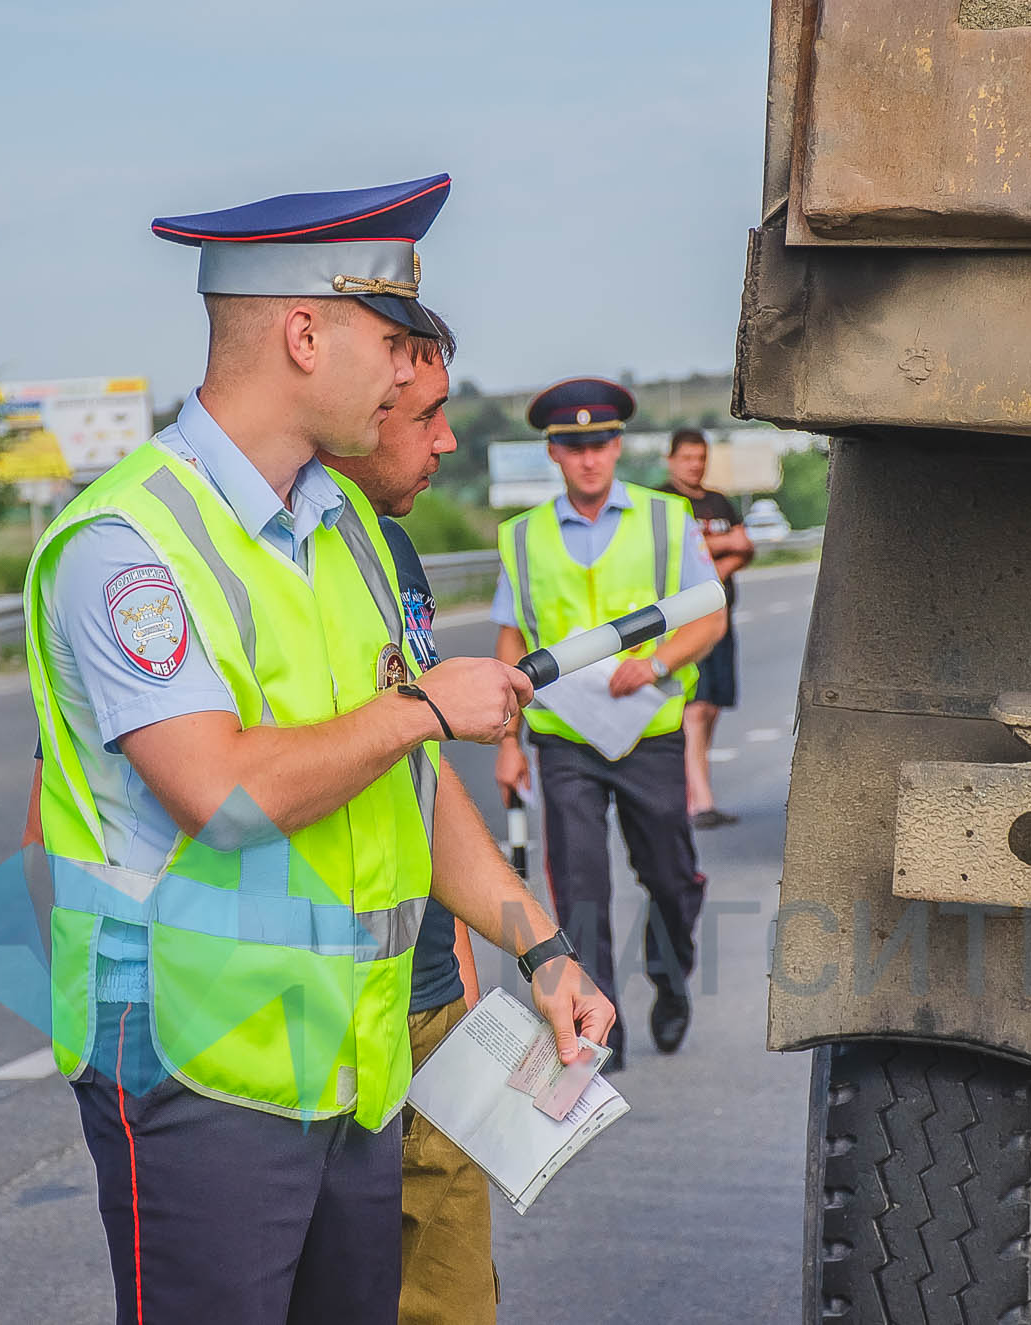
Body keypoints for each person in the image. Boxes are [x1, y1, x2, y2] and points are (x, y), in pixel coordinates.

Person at [23, 175, 613, 1325]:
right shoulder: (128, 543)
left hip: (355, 1061)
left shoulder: (341, 533)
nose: (410, 374)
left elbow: (410, 781)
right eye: (392, 341)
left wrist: (540, 945)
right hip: (198, 1069)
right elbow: (221, 791)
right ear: (303, 333)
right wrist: (424, 707)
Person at [318, 315, 499, 1325]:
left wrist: (466, 962)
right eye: (425, 416)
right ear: (354, 410)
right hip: (305, 1020)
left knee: (449, 1298)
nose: (445, 442)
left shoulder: (388, 549)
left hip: (421, 997)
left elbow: (415, 772)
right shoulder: (227, 557)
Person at [490, 379, 727, 1065]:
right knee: (581, 888)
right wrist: (509, 744)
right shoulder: (524, 537)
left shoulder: (665, 520)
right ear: (553, 454)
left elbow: (708, 615)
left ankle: (670, 973)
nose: (589, 458)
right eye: (573, 447)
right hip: (566, 742)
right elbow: (511, 639)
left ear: (618, 445)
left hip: (648, 732)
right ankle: (603, 1036)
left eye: (599, 444)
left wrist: (655, 665)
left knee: (673, 879)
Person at [657, 428, 754, 828]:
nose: (695, 465)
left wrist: (711, 573)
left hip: (720, 619)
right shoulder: (662, 501)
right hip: (684, 622)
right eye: (687, 458)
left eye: (701, 457)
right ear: (671, 460)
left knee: (712, 707)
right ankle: (699, 800)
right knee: (693, 710)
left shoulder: (719, 501)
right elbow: (675, 551)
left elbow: (746, 547)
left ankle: (695, 789)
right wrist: (718, 547)